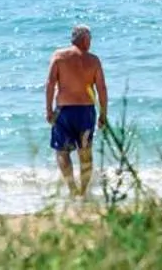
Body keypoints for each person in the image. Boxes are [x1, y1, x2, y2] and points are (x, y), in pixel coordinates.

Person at [45, 24, 107, 197]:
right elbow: (102, 88)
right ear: (85, 39)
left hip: (64, 111)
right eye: (90, 39)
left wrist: (49, 110)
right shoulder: (93, 61)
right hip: (86, 112)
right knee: (85, 151)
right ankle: (83, 192)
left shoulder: (59, 56)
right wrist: (103, 114)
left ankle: (72, 189)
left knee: (62, 152)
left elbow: (50, 84)